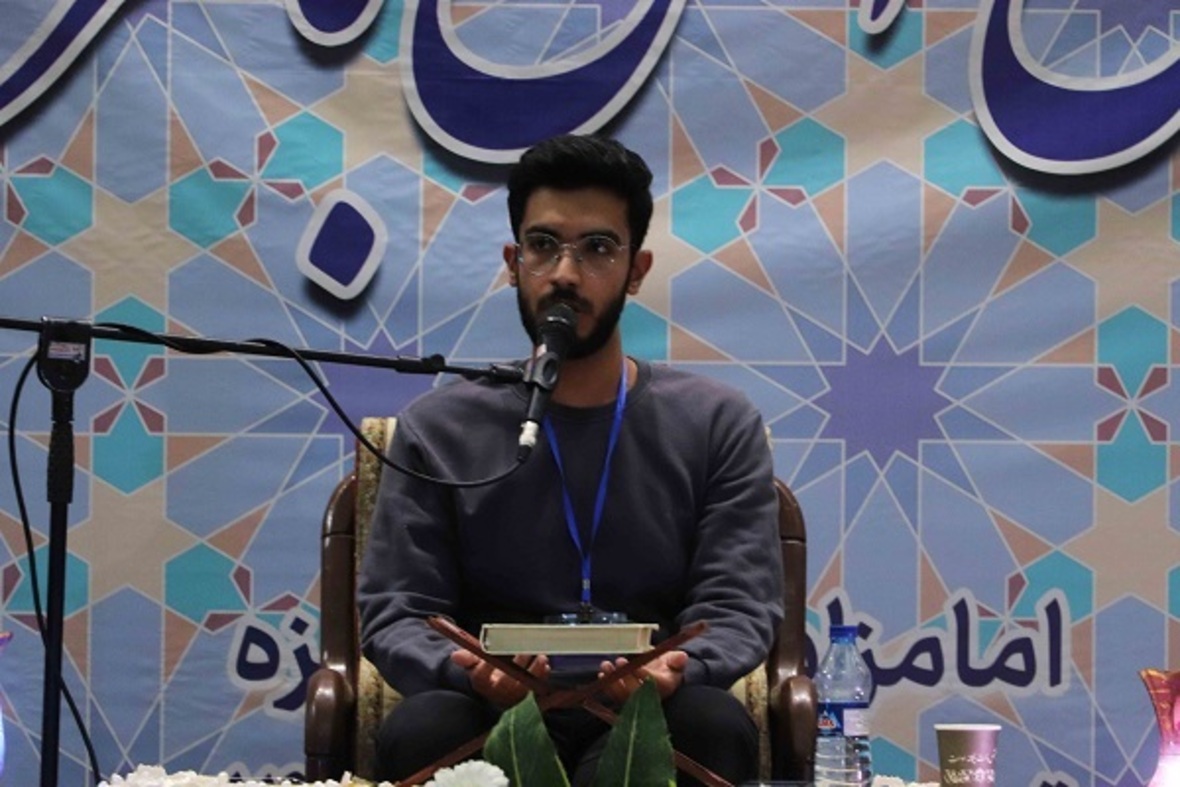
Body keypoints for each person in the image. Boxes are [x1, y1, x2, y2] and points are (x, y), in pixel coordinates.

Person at [357, 134, 784, 786]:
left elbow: (737, 606)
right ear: (513, 262)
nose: (564, 273)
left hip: (651, 700)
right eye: (543, 245)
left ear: (636, 271)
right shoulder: (438, 428)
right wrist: (467, 669)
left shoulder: (716, 423)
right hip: (491, 702)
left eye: (598, 248)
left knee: (713, 725)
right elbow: (400, 607)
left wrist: (678, 668)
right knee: (422, 728)